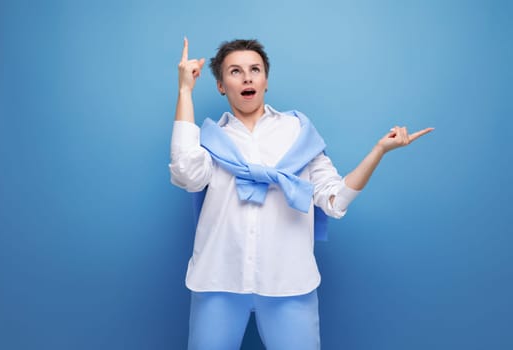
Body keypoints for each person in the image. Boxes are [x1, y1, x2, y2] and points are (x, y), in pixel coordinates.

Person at [170, 38, 433, 350]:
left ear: (266, 80)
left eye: (255, 69)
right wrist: (185, 91)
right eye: (235, 71)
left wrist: (379, 151)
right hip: (217, 279)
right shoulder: (209, 140)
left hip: (289, 281)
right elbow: (186, 174)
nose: (247, 77)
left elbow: (334, 201)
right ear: (221, 86)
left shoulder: (298, 132)